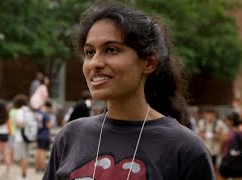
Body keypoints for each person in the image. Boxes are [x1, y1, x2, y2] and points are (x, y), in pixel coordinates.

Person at [43, 1, 215, 180]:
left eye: (111, 50)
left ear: (148, 63)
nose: (95, 63)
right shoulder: (70, 137)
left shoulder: (185, 149)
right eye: (89, 52)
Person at [13, 94, 35, 180]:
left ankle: (23, 176)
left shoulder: (20, 111)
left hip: (21, 137)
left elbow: (19, 124)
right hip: (28, 136)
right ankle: (25, 175)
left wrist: (15, 121)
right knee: (26, 156)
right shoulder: (29, 111)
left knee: (22, 157)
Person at [35, 101, 54, 173]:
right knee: (43, 152)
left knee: (38, 151)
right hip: (45, 135)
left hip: (39, 134)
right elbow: (48, 125)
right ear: (48, 107)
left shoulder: (38, 113)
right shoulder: (46, 114)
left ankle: (37, 167)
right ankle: (42, 168)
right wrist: (51, 121)